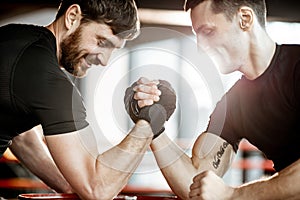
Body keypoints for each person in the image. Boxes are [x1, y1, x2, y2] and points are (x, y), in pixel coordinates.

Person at [125, 0, 300, 199]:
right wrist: (154, 125)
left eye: (208, 32)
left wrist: (234, 195)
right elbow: (195, 184)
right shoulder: (234, 104)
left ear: (245, 19)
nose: (201, 47)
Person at [0, 0, 166, 199]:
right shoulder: (48, 80)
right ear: (72, 17)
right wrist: (149, 122)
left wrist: (69, 186)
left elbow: (22, 137)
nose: (104, 60)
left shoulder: (13, 38)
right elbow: (98, 190)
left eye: (113, 49)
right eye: (101, 42)